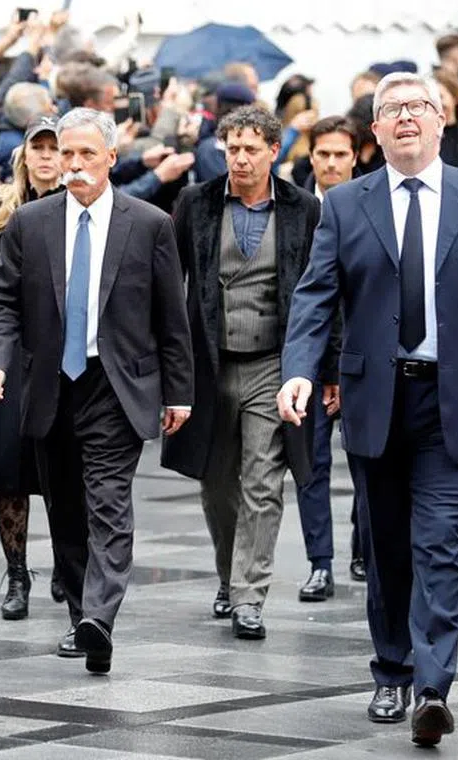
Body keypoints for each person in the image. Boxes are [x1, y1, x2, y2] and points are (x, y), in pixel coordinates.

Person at [277, 72, 458, 747]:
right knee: (389, 547)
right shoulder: (344, 205)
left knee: (438, 543)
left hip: (455, 398)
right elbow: (314, 299)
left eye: (418, 107)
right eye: (391, 110)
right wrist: (298, 373)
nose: (405, 118)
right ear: (374, 132)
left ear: (440, 121)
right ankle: (390, 668)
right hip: (376, 399)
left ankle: (432, 687)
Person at [0, 107, 194, 674]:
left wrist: (179, 391)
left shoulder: (148, 223)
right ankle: (81, 616)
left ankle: (101, 615)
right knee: (67, 509)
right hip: (48, 384)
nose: (73, 165)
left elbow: (173, 317)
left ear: (111, 160)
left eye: (85, 155)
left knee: (108, 502)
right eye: (65, 155)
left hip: (115, 383)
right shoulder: (31, 223)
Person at [162, 106, 327, 639]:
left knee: (263, 481)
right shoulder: (197, 203)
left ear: (273, 151)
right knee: (216, 485)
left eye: (251, 149)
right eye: (231, 148)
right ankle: (229, 577)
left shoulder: (302, 209)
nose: (239, 158)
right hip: (210, 364)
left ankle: (250, 595)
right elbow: (171, 281)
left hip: (272, 362)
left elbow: (324, 292)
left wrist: (327, 368)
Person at [0, 115, 63, 620]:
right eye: (38, 147)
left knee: (67, 465)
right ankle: (17, 574)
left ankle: (68, 563)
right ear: (25, 154)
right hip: (6, 351)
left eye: (54, 147)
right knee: (8, 468)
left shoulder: (80, 206)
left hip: (62, 350)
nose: (46, 156)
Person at [299, 115, 364, 590]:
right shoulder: (297, 209)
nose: (331, 163)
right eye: (323, 154)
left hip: (363, 357)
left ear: (356, 156)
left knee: (370, 460)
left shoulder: (373, 204)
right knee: (311, 463)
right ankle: (320, 560)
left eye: (341, 154)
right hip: (311, 357)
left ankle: (366, 549)